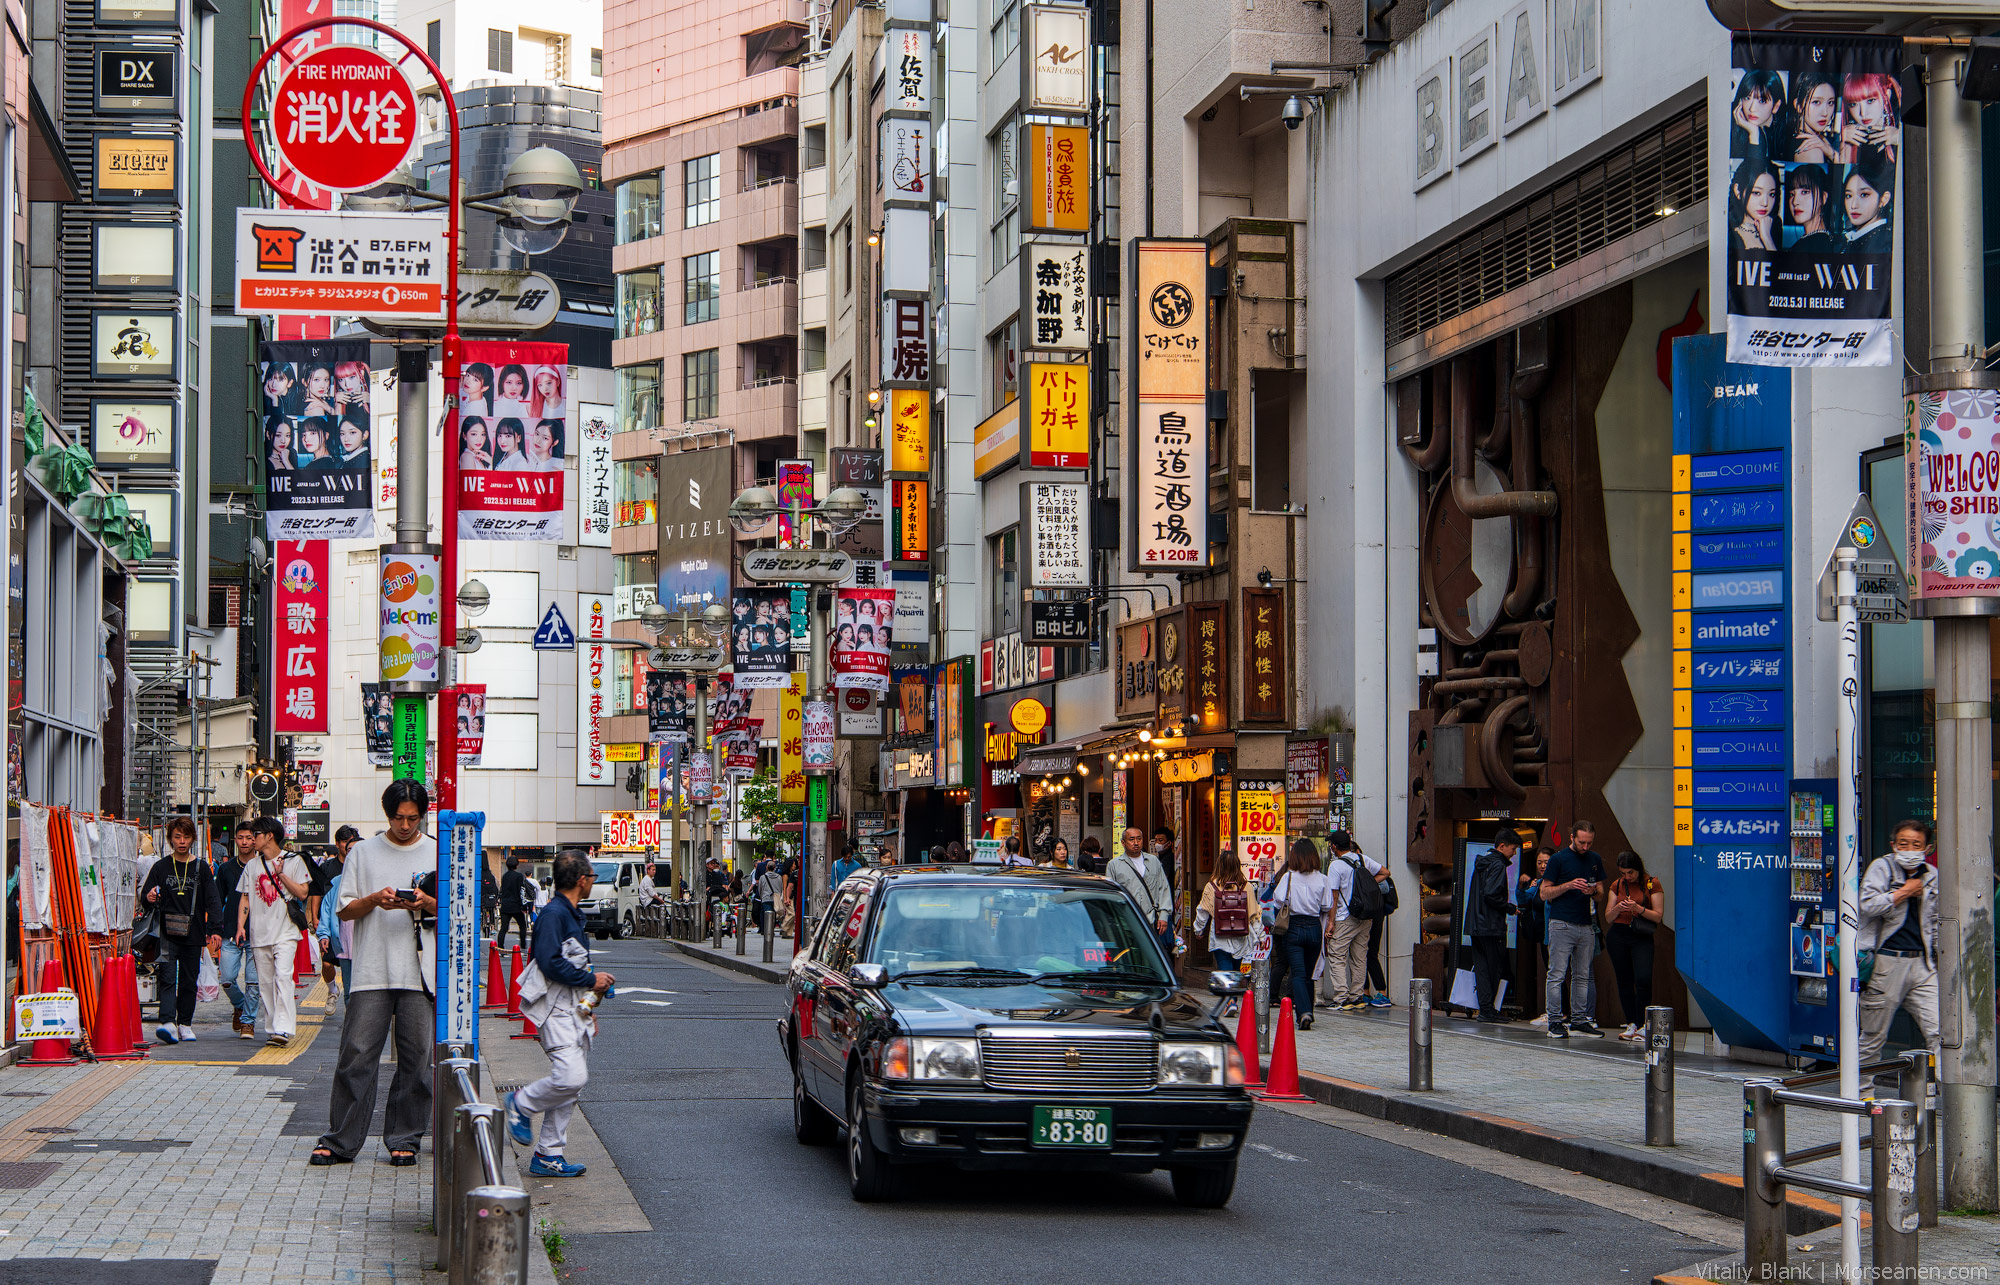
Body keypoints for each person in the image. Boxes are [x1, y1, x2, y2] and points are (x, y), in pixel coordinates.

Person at [311, 780, 439, 1167]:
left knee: (417, 1060)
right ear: (387, 815)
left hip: (419, 971)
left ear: (423, 815)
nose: (405, 825)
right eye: (399, 818)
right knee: (356, 1056)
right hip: (370, 969)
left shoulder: (437, 850)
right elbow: (343, 910)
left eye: (413, 818)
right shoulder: (363, 853)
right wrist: (373, 900)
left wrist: (425, 901)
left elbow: (454, 907)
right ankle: (341, 1140)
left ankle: (405, 1138)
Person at [503, 851, 614, 1178]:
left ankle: (549, 1153)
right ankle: (520, 1104)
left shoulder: (568, 913)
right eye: (592, 876)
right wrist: (591, 981)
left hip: (571, 1007)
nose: (593, 881)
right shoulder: (555, 915)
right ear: (582, 880)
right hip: (555, 1007)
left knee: (571, 1086)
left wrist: (589, 1003)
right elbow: (549, 962)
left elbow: (570, 963)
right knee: (571, 1076)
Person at [1857, 820, 1940, 1067]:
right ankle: (1863, 1096)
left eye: (1917, 844)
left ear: (1928, 848)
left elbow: (1934, 921)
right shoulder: (1881, 868)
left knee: (1941, 1031)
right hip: (1887, 962)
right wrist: (1903, 892)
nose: (1910, 849)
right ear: (1894, 845)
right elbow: (1867, 905)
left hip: (1922, 965)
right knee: (1874, 1036)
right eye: (1903, 844)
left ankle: (1950, 1098)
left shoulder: (1932, 875)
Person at [141, 816, 223, 1044]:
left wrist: (215, 929)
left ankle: (185, 1024)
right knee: (167, 977)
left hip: (194, 933)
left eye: (186, 837)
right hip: (166, 934)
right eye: (177, 837)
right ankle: (168, 1022)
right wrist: (148, 896)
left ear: (192, 839)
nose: (182, 841)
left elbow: (213, 900)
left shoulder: (201, 868)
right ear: (170, 839)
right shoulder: (161, 867)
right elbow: (145, 895)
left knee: (189, 979)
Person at [235, 817, 312, 1049]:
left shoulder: (294, 860)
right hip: (259, 933)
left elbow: (303, 893)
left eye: (255, 834)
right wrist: (241, 926)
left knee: (283, 977)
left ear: (269, 836)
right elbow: (245, 897)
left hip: (286, 931)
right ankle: (272, 1028)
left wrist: (281, 875)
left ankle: (283, 1028)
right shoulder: (252, 866)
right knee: (266, 982)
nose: (251, 840)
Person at [1539, 821, 1607, 1039]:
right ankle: (1555, 1021)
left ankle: (1579, 1020)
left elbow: (1601, 894)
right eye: (1581, 842)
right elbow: (1544, 893)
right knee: (1557, 974)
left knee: (1582, 975)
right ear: (1572, 838)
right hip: (1561, 923)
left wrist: (1592, 890)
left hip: (1587, 924)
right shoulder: (1558, 859)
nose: (1585, 846)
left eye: (1589, 842)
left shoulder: (1594, 859)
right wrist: (1568, 885)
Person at [1268, 839, 1335, 1029]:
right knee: (1309, 974)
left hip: (1294, 927)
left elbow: (1278, 902)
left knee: (1297, 973)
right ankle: (1308, 1011)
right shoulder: (1323, 879)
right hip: (1314, 927)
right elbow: (1326, 905)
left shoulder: (1288, 878)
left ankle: (1304, 1012)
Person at [1323, 830, 1387, 1012]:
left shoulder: (1335, 866)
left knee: (1337, 957)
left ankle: (1342, 998)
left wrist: (1331, 922)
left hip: (1345, 917)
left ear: (1334, 847)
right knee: (1360, 957)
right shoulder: (1363, 859)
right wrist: (1368, 887)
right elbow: (1385, 872)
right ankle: (1357, 996)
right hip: (1365, 917)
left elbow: (1333, 898)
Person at [1604, 851, 1665, 1040]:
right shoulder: (1617, 884)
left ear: (1638, 868)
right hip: (1619, 934)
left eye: (1630, 872)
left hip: (1641, 935)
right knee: (1624, 980)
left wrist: (1638, 909)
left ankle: (1643, 1024)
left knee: (1643, 978)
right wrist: (1618, 908)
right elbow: (1608, 917)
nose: (1627, 877)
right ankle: (1631, 1023)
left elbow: (1658, 916)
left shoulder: (1651, 883)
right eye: (1623, 873)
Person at [1466, 831, 1519, 1024]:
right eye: (1513, 849)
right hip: (1490, 925)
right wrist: (1509, 908)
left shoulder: (1483, 863)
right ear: (1502, 846)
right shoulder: (1497, 865)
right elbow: (1491, 894)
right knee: (1494, 968)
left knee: (1481, 968)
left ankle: (1485, 1009)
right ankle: (1488, 1010)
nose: (1514, 853)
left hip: (1475, 924)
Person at [215, 821, 261, 1040]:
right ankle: (240, 1005)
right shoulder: (226, 869)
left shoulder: (263, 866)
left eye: (249, 837)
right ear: (235, 840)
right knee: (227, 978)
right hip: (230, 931)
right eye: (241, 837)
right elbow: (216, 900)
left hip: (259, 931)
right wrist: (214, 929)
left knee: (253, 980)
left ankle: (248, 1022)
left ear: (256, 840)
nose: (245, 842)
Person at [1108, 827, 1174, 964]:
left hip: (1150, 920)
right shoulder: (1114, 865)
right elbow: (1110, 895)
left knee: (1150, 960)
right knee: (1129, 959)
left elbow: (1163, 888)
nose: (1136, 842)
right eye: (1131, 839)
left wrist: (1163, 916)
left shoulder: (1154, 861)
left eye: (1139, 838)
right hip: (1126, 921)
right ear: (1123, 843)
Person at [1193, 844, 1258, 976]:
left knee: (1226, 972)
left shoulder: (1211, 886)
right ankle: (1233, 995)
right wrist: (1260, 936)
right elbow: (1254, 914)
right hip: (1241, 936)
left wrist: (1198, 930)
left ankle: (1230, 996)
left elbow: (1203, 911)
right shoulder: (1247, 886)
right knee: (1237, 972)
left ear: (1219, 866)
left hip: (1220, 936)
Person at [1784, 164, 1842, 253]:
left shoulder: (1816, 245)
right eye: (1792, 194)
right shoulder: (1819, 240)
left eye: (1804, 192)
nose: (1795, 202)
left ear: (1823, 198)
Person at [1788, 70, 1843, 164]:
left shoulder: (1819, 140)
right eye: (1816, 102)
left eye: (1830, 103)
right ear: (1799, 106)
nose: (1825, 112)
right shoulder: (1811, 149)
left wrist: (1830, 153)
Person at [1842, 160, 1893, 257]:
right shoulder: (1854, 238)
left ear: (1883, 199)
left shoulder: (1882, 242)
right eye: (1848, 196)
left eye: (1864, 195)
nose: (1853, 205)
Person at [1731, 160, 1780, 251]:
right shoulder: (1728, 234)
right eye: (1756, 193)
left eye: (1772, 194)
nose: (1765, 203)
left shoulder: (1775, 230)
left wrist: (1767, 238)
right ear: (1737, 191)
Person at [498, 856, 532, 949]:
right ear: (517, 865)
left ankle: (500, 946)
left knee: (504, 928)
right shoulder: (519, 876)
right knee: (522, 926)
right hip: (516, 906)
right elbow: (521, 892)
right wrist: (524, 906)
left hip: (505, 905)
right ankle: (523, 945)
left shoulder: (505, 876)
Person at [754, 859, 784, 935]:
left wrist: (762, 897)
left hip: (766, 897)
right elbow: (781, 888)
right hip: (776, 898)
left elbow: (760, 888)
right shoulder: (779, 877)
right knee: (773, 914)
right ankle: (771, 929)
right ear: (774, 868)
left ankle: (766, 930)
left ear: (766, 867)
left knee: (766, 914)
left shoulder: (762, 877)